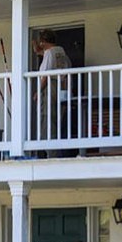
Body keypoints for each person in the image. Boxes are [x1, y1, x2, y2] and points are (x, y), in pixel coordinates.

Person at [32, 29, 72, 158]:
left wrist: (38, 91)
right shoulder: (61, 52)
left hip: (50, 87)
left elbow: (45, 75)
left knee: (47, 121)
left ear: (43, 42)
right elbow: (39, 52)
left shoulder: (49, 53)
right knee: (57, 120)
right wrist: (35, 45)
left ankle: (52, 155)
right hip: (61, 88)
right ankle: (57, 153)